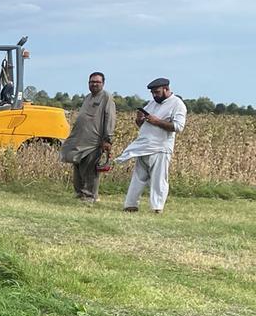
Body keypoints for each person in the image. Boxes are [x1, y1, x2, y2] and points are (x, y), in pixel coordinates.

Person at [115, 77, 187, 213]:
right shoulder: (151, 104)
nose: (154, 95)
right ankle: (130, 205)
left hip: (161, 147)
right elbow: (141, 124)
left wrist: (157, 121)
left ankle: (157, 208)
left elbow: (178, 127)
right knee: (138, 177)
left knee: (158, 179)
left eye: (157, 92)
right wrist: (139, 119)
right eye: (153, 92)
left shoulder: (177, 104)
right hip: (144, 146)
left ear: (166, 89)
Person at [60, 72, 117, 202]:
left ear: (103, 83)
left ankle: (90, 196)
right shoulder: (88, 97)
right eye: (92, 82)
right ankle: (80, 193)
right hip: (80, 139)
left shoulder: (106, 97)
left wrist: (107, 139)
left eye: (97, 82)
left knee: (90, 168)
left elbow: (110, 118)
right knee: (78, 165)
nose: (94, 84)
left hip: (95, 140)